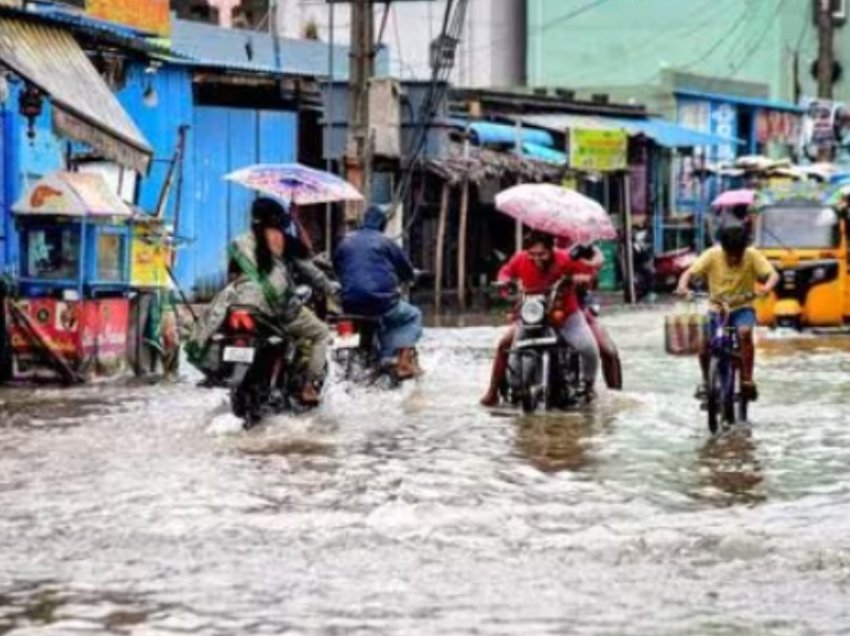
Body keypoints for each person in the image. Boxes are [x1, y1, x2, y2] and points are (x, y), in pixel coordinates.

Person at [188, 198, 337, 405]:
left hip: (238, 306)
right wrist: (331, 288)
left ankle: (217, 371)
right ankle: (310, 386)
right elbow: (312, 272)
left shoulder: (240, 242)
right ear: (277, 218)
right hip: (278, 311)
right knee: (321, 332)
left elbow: (232, 277)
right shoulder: (283, 240)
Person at [480, 231, 601, 407]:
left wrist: (584, 279)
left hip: (565, 315)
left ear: (551, 250)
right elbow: (505, 273)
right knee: (508, 347)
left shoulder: (565, 258)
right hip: (532, 315)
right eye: (533, 254)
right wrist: (505, 283)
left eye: (542, 254)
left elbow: (590, 274)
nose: (537, 258)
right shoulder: (520, 259)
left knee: (589, 349)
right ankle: (496, 391)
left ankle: (588, 386)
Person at [675, 225, 779, 402]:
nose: (733, 259)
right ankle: (706, 381)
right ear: (723, 249)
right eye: (729, 254)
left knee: (744, 333)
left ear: (743, 250)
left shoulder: (753, 255)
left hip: (742, 308)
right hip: (717, 309)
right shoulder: (712, 254)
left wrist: (766, 287)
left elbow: (773, 275)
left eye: (737, 255)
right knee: (703, 342)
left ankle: (747, 379)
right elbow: (688, 273)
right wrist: (683, 287)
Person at [333, 205, 423, 379]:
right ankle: (403, 362)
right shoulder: (386, 242)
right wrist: (411, 276)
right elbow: (406, 271)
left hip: (349, 305)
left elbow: (338, 269)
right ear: (382, 225)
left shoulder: (345, 242)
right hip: (381, 304)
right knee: (413, 315)